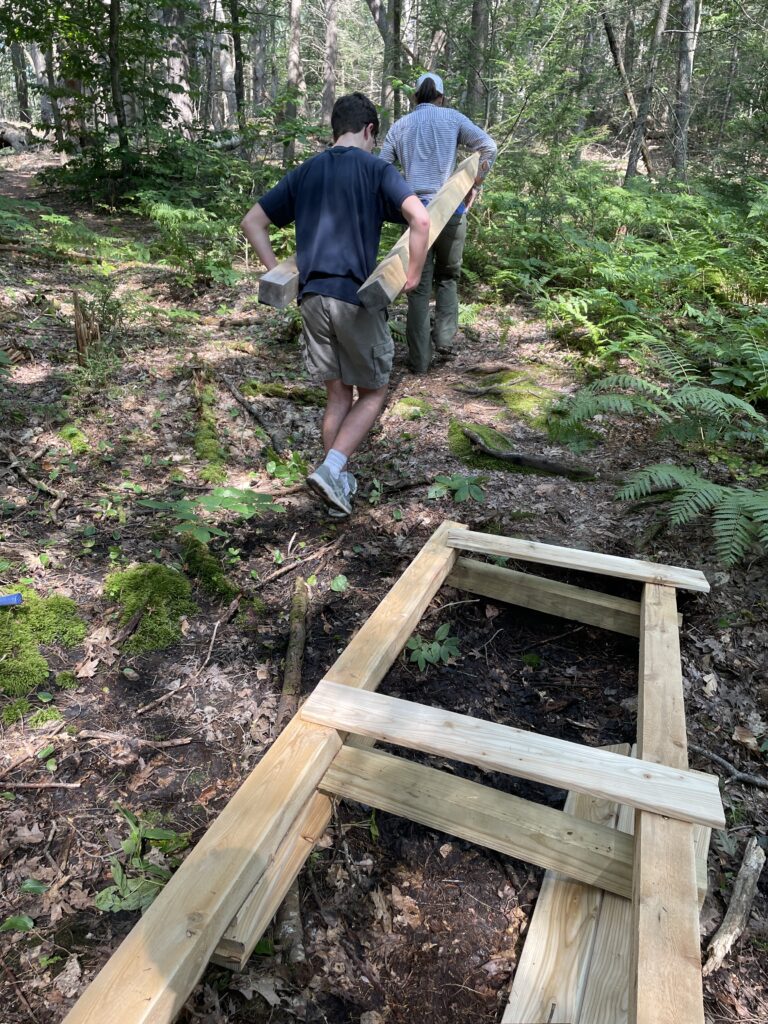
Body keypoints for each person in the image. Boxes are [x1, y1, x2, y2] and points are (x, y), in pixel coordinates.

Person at [241, 92, 429, 517]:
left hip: (311, 299)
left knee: (337, 395)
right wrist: (413, 276)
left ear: (334, 129)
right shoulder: (376, 168)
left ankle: (333, 488)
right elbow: (420, 219)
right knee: (375, 390)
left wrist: (279, 272)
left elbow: (252, 222)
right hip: (353, 298)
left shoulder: (306, 170)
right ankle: (333, 468)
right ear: (369, 130)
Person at [379, 72, 497, 373]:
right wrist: (475, 183)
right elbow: (489, 147)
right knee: (448, 277)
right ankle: (444, 339)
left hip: (415, 214)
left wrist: (395, 200)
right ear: (441, 97)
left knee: (416, 287)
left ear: (415, 96)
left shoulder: (400, 126)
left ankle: (419, 361)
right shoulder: (452, 118)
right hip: (451, 211)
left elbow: (380, 169)